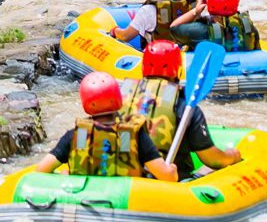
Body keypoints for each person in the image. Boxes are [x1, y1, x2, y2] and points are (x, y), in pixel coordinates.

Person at [27, 73, 179, 181]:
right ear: (118, 100)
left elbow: (41, 170)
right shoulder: (133, 134)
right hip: (128, 202)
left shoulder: (75, 135)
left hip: (82, 200)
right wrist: (172, 171)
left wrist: (65, 177)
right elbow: (166, 176)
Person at [127, 40, 242, 178]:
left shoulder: (124, 97)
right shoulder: (185, 107)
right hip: (169, 182)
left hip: (127, 176)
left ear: (143, 67)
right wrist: (232, 157)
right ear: (179, 71)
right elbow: (212, 159)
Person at [173, 0, 260, 51]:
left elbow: (173, 28)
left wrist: (195, 11)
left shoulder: (201, 30)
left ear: (210, 3)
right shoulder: (249, 28)